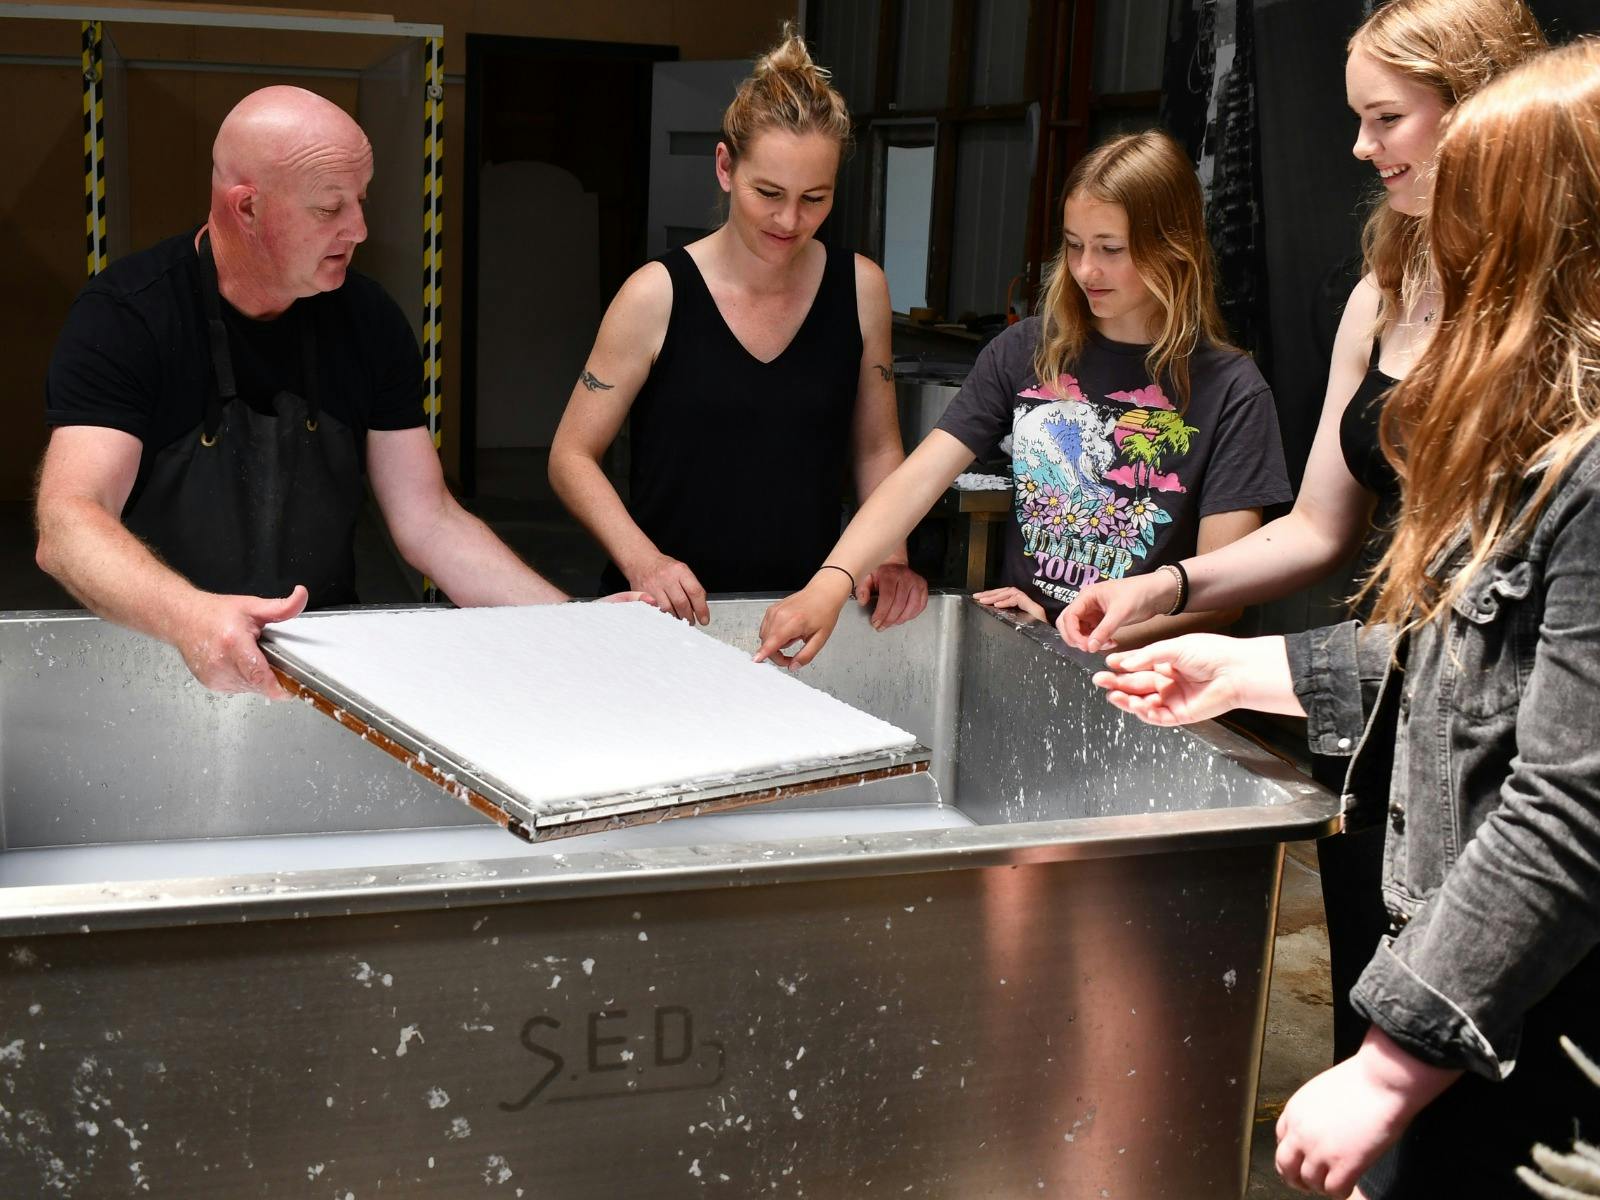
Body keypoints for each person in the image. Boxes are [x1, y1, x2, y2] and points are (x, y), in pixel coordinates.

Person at [1092, 38, 1600, 1198]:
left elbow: (1568, 801)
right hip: (1429, 879)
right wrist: (1236, 664)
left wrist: (1390, 1062)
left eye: (1480, 220)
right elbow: (1459, 663)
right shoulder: (1518, 420)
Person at [35, 86, 607, 701]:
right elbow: (69, 523)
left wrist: (571, 627)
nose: (358, 229)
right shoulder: (128, 319)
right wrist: (193, 618)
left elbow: (429, 520)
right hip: (156, 654)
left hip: (320, 658)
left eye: (359, 201)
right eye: (329, 209)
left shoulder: (369, 322)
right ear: (246, 208)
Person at [755, 128, 1291, 669]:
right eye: (1075, 245)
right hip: (1027, 649)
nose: (1085, 270)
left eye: (1110, 249)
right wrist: (829, 581)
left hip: (1145, 681)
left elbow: (1222, 594)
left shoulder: (1233, 391)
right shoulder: (1026, 349)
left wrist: (1085, 635)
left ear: (1173, 248)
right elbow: (916, 481)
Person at [547, 26, 927, 631]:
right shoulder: (655, 293)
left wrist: (889, 555)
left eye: (815, 198)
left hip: (804, 614)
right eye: (768, 192)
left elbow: (876, 446)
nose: (789, 219)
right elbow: (571, 455)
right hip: (665, 614)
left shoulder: (861, 288)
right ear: (725, 167)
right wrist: (644, 563)